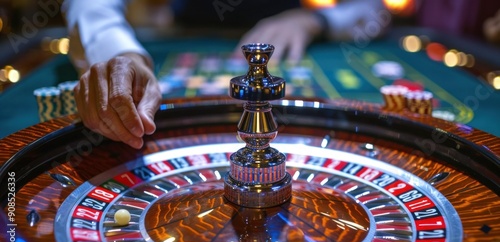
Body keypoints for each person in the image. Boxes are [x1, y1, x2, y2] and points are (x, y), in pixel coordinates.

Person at [61, 0, 390, 149]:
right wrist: (123, 56)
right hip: (188, 33)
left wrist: (316, 21)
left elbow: (374, 7)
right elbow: (89, 5)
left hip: (295, 35)